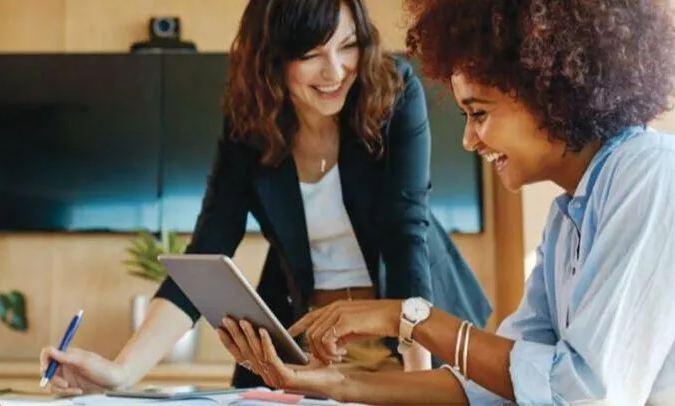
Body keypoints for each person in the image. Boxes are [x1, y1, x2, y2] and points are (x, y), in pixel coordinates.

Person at [217, 0, 675, 404]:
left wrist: (409, 317)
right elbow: (497, 387)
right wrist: (333, 384)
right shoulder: (566, 220)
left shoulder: (648, 172)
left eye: (479, 113)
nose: (469, 139)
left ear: (550, 92)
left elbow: (583, 394)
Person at [38, 0, 491, 395]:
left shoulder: (393, 91)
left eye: (348, 45)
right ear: (273, 60)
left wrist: (418, 385)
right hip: (310, 348)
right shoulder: (249, 125)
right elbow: (207, 254)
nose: (335, 70)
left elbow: (405, 231)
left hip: (412, 337)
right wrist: (120, 372)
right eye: (311, 54)